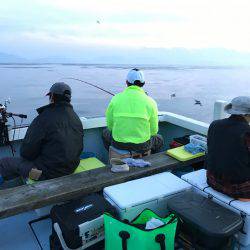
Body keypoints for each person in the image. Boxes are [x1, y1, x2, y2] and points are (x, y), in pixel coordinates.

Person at [0, 82, 84, 183]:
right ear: (68, 98)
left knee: (4, 163)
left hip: (45, 175)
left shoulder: (43, 119)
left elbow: (26, 153)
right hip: (71, 169)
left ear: (52, 96)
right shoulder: (75, 118)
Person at [102, 68, 163, 154]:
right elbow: (154, 131)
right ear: (143, 83)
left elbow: (110, 126)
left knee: (105, 133)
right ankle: (150, 160)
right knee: (159, 139)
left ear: (126, 82)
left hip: (118, 144)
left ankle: (114, 155)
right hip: (142, 145)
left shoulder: (115, 99)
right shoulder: (151, 102)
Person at [206, 96, 250, 200]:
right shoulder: (247, 132)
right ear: (247, 114)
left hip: (212, 181)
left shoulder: (214, 124)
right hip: (240, 190)